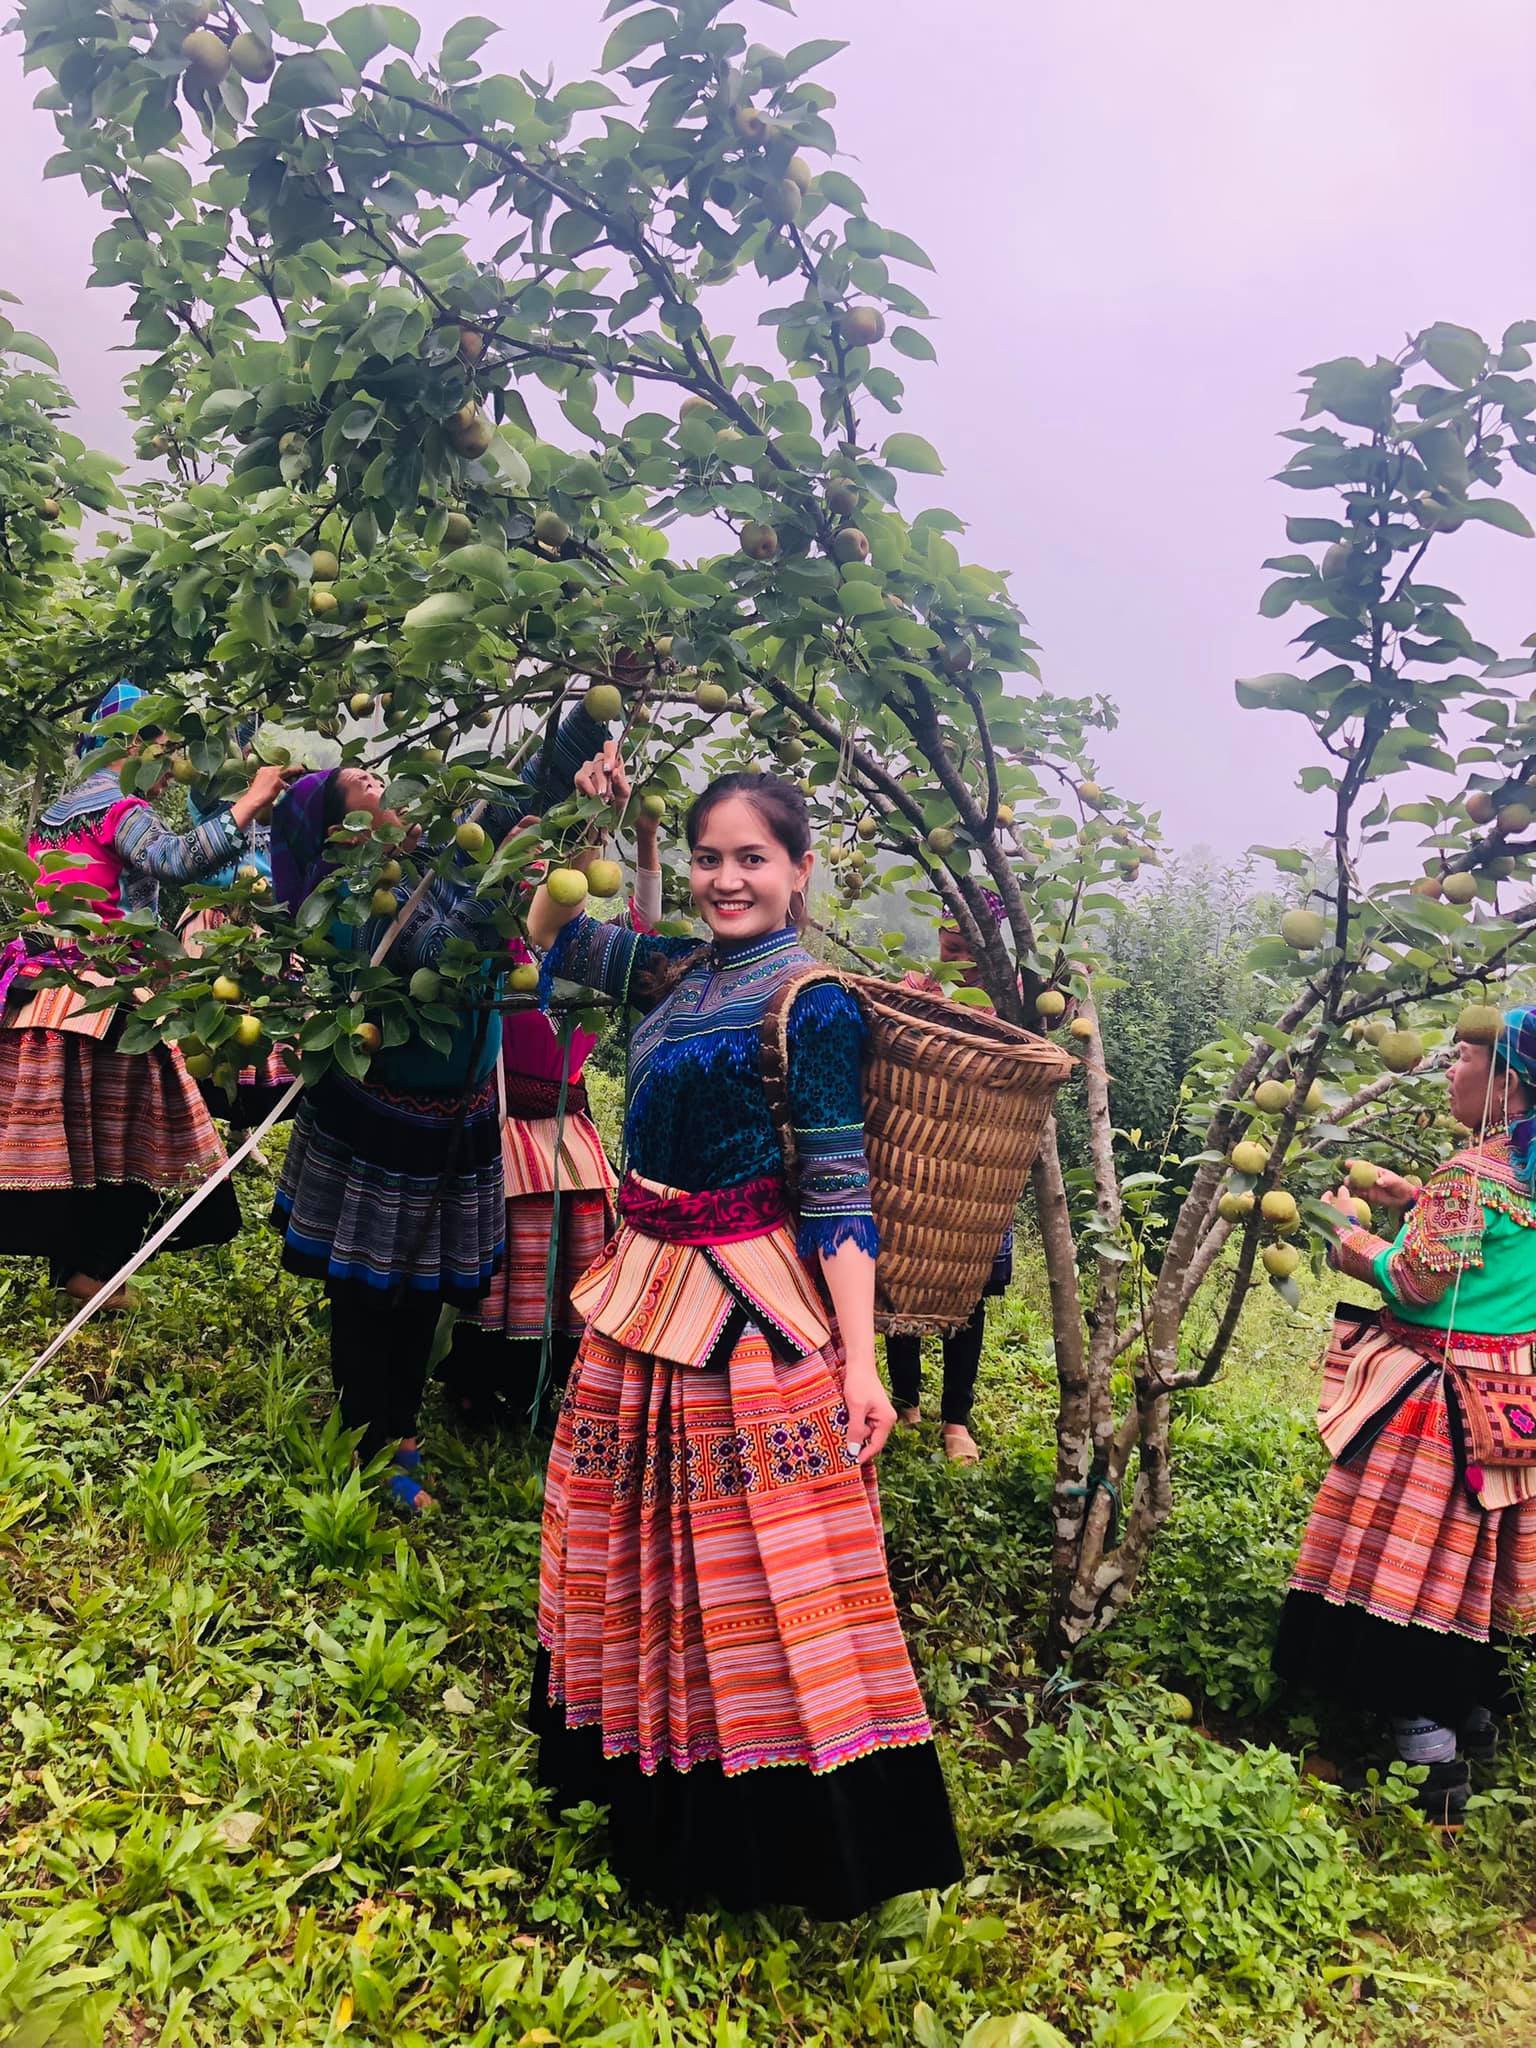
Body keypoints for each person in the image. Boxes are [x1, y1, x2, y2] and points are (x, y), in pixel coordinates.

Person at [525, 750, 963, 1918]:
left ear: (800, 869)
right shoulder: (675, 971)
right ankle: (634, 1766)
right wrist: (589, 818)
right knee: (638, 1545)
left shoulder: (809, 999)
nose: (726, 879)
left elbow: (836, 1186)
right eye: (712, 857)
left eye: (751, 859)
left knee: (753, 1568)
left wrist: (863, 1365)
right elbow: (551, 935)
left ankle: (760, 1827)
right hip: (643, 1287)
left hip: (746, 1311)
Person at [269, 703, 606, 1514]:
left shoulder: (439, 860)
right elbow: (443, 947)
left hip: (453, 1124)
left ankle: (401, 1430)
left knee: (420, 1291)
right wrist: (529, 849)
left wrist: (594, 714)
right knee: (363, 1291)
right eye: (365, 785)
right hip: (379, 1126)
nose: (388, 788)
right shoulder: (359, 899)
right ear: (343, 830)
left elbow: (524, 787)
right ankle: (365, 1438)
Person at [1273, 1009, 1536, 1822]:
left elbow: (1418, 1280)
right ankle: (1475, 1718)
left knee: (1406, 1564)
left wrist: (1345, 1233)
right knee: (1475, 1559)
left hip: (1439, 1398)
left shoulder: (1471, 1177)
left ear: (1507, 1084)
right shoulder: (1512, 1171)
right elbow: (1494, 1243)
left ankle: (1428, 1757)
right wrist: (1411, 1194)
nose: (1450, 1071)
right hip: (1515, 1396)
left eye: (1463, 1058)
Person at [0, 682, 288, 1305]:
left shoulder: (58, 813)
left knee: (78, 1138)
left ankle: (77, 1271)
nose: (167, 773)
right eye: (164, 750)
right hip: (106, 995)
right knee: (132, 1134)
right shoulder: (121, 808)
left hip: (48, 989)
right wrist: (251, 802)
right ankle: (96, 1269)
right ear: (132, 745)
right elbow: (175, 859)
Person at [441, 811, 663, 1428]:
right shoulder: (500, 954)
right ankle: (477, 1384)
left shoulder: (591, 959)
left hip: (570, 1133)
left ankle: (551, 1387)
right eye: (538, 878)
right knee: (505, 1266)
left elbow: (645, 927)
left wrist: (642, 838)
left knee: (570, 1260)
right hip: (507, 1127)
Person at [885, 900, 1013, 1464]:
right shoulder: (918, 988)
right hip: (910, 1160)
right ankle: (907, 1401)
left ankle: (956, 1419)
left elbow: (1046, 1027)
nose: (955, 954)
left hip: (978, 1169)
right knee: (898, 1279)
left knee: (969, 1294)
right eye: (948, 942)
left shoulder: (1005, 1003)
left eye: (968, 947)